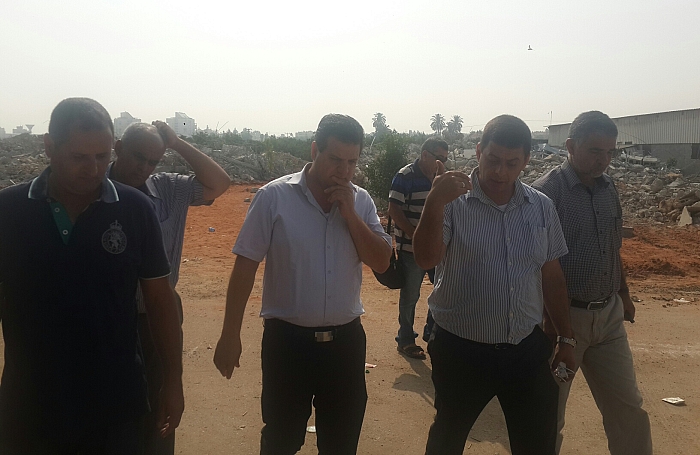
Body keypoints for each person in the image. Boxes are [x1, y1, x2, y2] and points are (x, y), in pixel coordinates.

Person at [0, 98, 183, 455]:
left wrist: (172, 382)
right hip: (30, 405)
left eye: (102, 156)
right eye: (80, 157)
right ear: (49, 147)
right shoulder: (9, 211)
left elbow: (160, 302)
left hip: (115, 406)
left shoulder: (135, 210)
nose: (93, 169)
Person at [214, 114, 392, 455]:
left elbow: (382, 262)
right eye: (335, 159)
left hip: (345, 346)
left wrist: (350, 215)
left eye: (352, 162)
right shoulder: (273, 197)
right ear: (314, 150)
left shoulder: (361, 201)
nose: (343, 171)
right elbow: (245, 267)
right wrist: (229, 334)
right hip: (287, 345)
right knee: (280, 440)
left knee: (341, 443)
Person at [413, 114, 576, 455]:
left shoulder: (541, 207)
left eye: (511, 163)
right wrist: (433, 202)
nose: (500, 171)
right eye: (493, 159)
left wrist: (565, 337)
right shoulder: (452, 202)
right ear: (478, 152)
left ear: (526, 161)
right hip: (461, 350)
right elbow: (426, 259)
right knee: (447, 439)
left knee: (537, 442)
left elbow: (552, 276)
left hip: (525, 349)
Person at [532, 111, 652, 455]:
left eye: (610, 152)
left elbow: (612, 247)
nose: (604, 160)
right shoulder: (545, 194)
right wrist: (557, 330)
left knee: (628, 408)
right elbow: (538, 268)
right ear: (571, 146)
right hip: (563, 319)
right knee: (548, 412)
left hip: (609, 318)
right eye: (595, 151)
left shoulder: (607, 188)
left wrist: (623, 294)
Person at [110, 120, 231, 455]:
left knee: (159, 404)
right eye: (139, 157)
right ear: (118, 148)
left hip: (156, 316)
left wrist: (176, 143)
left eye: (154, 161)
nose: (144, 167)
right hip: (105, 317)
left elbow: (220, 183)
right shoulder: (93, 187)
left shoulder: (166, 188)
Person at [388, 137, 448, 359]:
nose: (441, 163)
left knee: (442, 290)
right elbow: (394, 210)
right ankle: (405, 339)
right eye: (439, 158)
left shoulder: (440, 179)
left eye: (445, 159)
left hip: (436, 249)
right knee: (411, 296)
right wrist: (417, 237)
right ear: (425, 155)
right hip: (411, 250)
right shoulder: (405, 176)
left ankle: (431, 332)